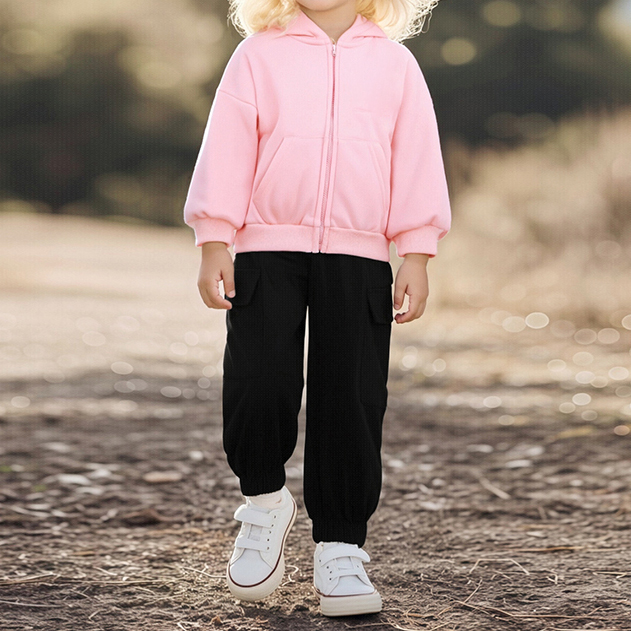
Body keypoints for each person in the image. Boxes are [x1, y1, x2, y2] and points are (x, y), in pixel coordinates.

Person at [182, 0, 451, 617]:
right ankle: (264, 503)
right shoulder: (257, 54)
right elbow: (226, 147)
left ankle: (340, 547)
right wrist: (215, 238)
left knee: (351, 397)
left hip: (360, 255)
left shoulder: (396, 64)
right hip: (264, 248)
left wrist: (416, 252)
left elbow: (416, 158)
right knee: (257, 382)